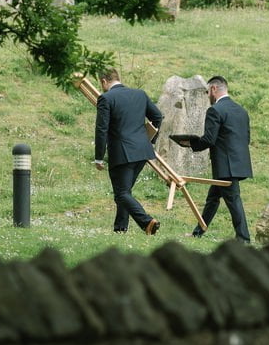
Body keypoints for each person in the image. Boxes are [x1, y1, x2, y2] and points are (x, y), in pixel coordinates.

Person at [178, 75, 252, 243]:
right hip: (237, 164)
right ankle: (198, 232)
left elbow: (209, 139)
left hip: (225, 165)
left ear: (213, 89)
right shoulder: (241, 111)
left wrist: (190, 143)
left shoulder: (215, 110)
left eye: (207, 92)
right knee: (212, 199)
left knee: (233, 200)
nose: (207, 96)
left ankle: (243, 238)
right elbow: (245, 139)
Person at [93, 68, 163, 235]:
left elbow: (101, 129)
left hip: (122, 153)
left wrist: (98, 157)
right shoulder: (140, 94)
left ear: (104, 81)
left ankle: (147, 222)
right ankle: (120, 228)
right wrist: (150, 139)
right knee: (125, 192)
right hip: (143, 152)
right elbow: (158, 117)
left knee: (121, 193)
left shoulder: (105, 98)